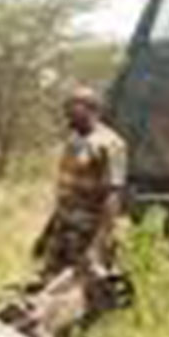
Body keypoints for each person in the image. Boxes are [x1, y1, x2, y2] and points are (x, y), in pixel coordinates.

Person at [34, 86, 127, 281]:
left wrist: (97, 247)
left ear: (91, 109)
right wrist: (46, 233)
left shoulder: (110, 144)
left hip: (88, 233)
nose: (66, 112)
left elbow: (113, 198)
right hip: (63, 231)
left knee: (81, 290)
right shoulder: (73, 141)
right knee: (47, 286)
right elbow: (66, 194)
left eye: (72, 107)